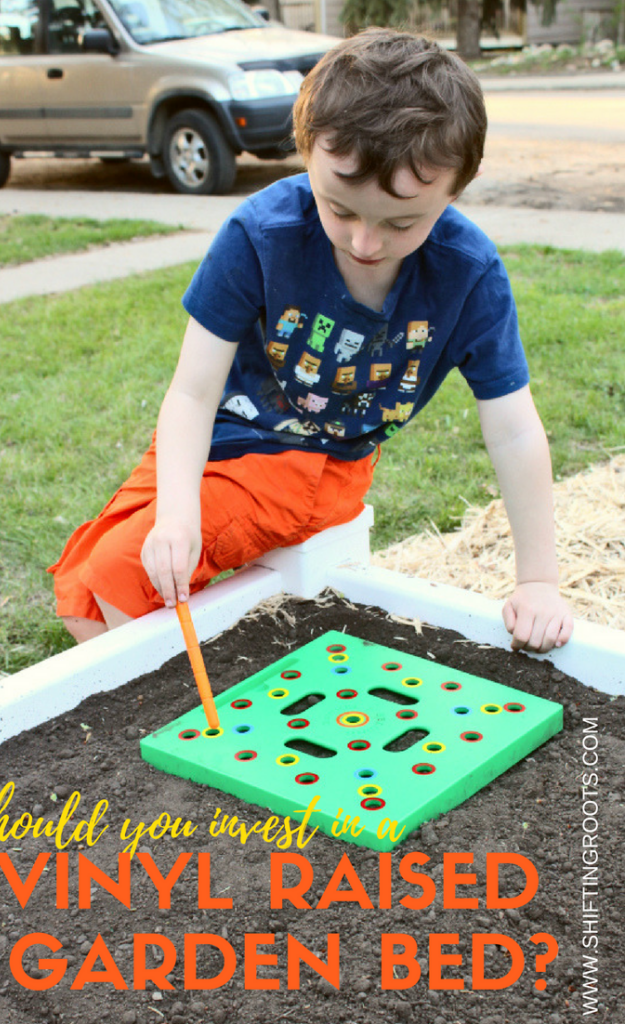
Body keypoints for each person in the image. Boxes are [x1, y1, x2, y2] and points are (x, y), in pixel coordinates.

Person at [49, 29, 573, 655]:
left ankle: (199, 712)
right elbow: (192, 392)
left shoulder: (468, 272)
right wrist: (178, 514)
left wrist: (539, 580)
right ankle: (174, 698)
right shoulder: (258, 234)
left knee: (117, 573)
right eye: (340, 209)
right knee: (84, 587)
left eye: (401, 222)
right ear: (306, 153)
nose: (365, 243)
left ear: (458, 185)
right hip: (217, 434)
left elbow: (513, 427)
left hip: (316, 464)